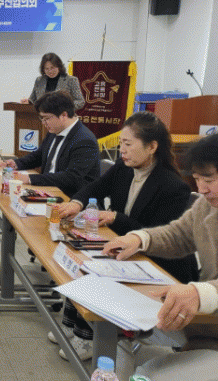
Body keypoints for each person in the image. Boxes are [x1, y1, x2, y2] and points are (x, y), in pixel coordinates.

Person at [50, 112, 198, 361]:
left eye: (128, 144)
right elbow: (95, 187)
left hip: (161, 264)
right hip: (129, 252)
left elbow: (157, 237)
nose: (122, 151)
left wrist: (115, 218)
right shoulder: (124, 167)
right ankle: (72, 325)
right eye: (121, 144)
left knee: (97, 270)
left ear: (152, 147)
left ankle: (90, 338)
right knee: (81, 259)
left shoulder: (173, 187)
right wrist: (76, 203)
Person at [104, 133, 218, 380]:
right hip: (206, 325)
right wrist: (140, 239)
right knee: (120, 324)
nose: (202, 189)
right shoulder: (207, 205)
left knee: (149, 374)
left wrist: (202, 292)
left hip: (210, 325)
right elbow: (178, 235)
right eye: (197, 179)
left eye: (209, 179)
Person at [0, 91, 100, 198]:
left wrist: (29, 178)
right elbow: (39, 155)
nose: (43, 123)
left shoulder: (84, 140)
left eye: (46, 118)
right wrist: (16, 164)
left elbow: (71, 177)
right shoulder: (55, 130)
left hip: (72, 198)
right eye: (41, 118)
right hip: (49, 190)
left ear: (64, 115)